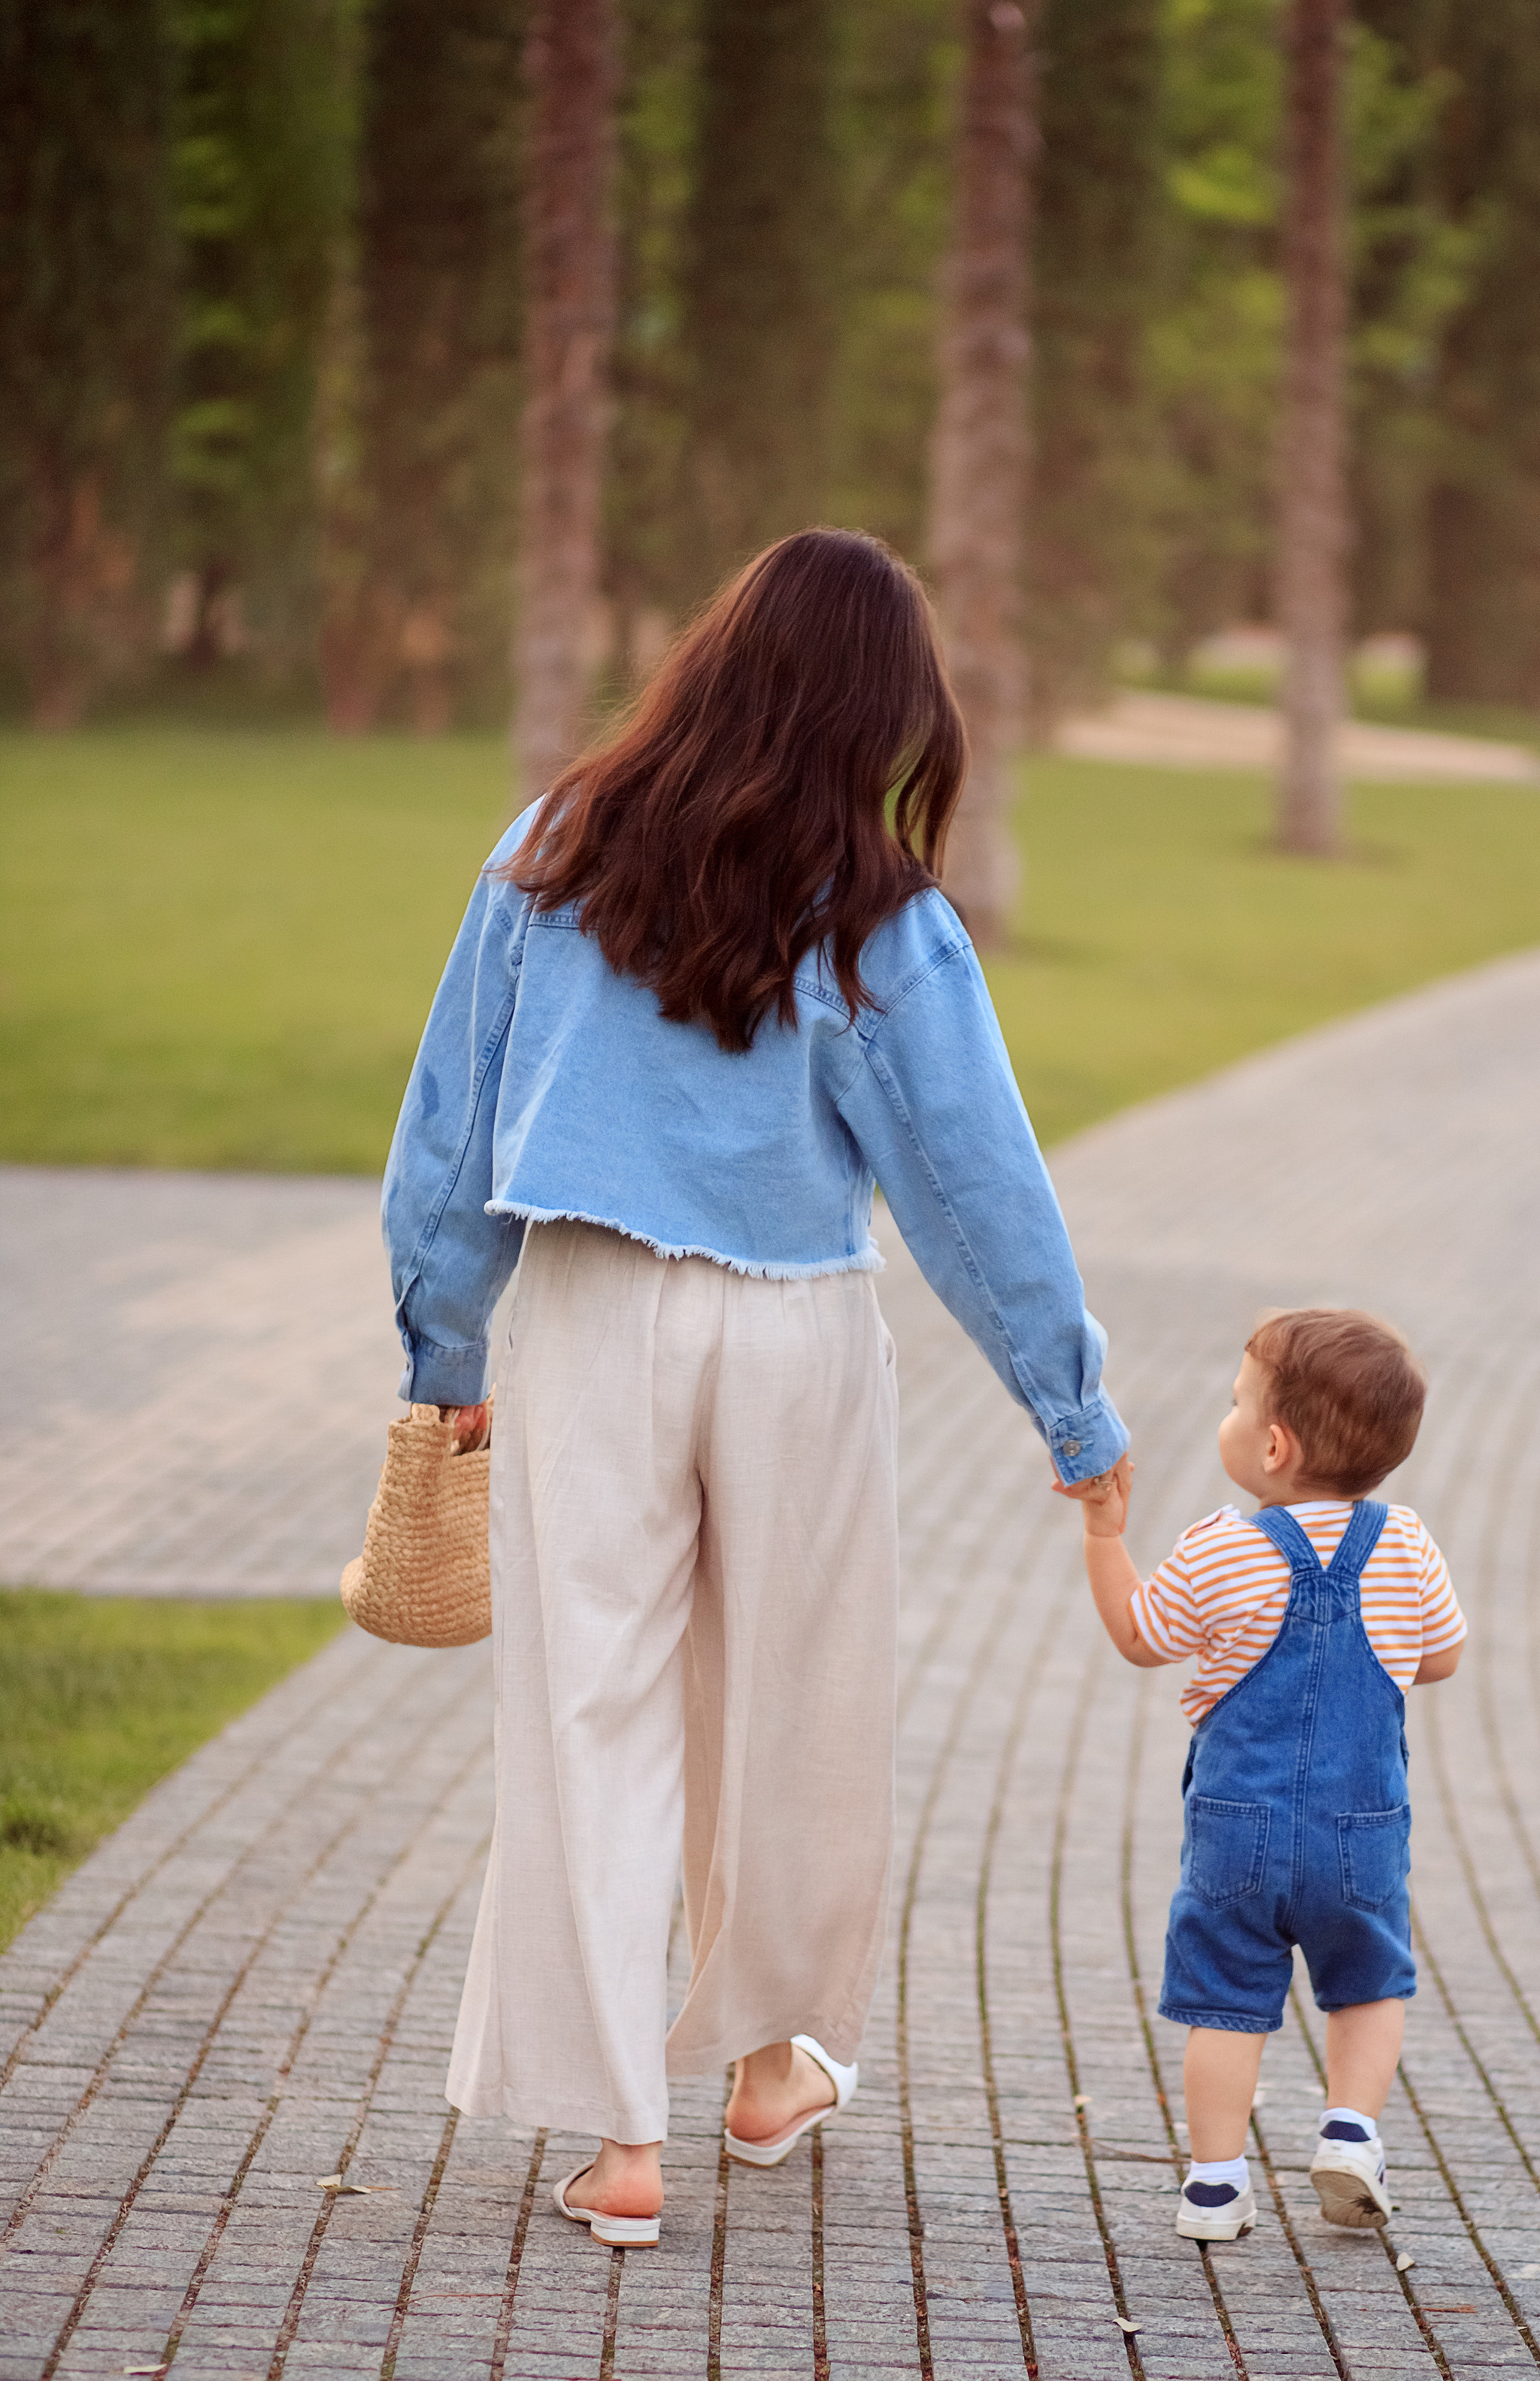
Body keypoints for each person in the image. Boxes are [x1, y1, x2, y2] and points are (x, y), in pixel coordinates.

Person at [382, 528, 1127, 2247]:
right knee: (795, 1698)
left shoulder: (550, 848)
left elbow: (451, 1128)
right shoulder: (882, 909)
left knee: (592, 1710)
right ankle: (770, 2061)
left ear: (713, 654)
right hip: (795, 1327)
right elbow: (969, 1177)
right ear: (884, 709)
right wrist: (1067, 1404)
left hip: (584, 1305)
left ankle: (616, 2137)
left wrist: (442, 1353)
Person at [1067, 1307, 1463, 2240]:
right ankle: (1349, 2130)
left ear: (1274, 1446)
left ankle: (1213, 2186)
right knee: (1369, 1980)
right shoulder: (1402, 1546)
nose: (1228, 1415)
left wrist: (1102, 1535)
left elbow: (1139, 1637)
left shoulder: (1223, 1547)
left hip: (1236, 1830)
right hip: (1358, 1830)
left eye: (1236, 1402)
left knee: (1226, 2000)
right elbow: (1441, 1657)